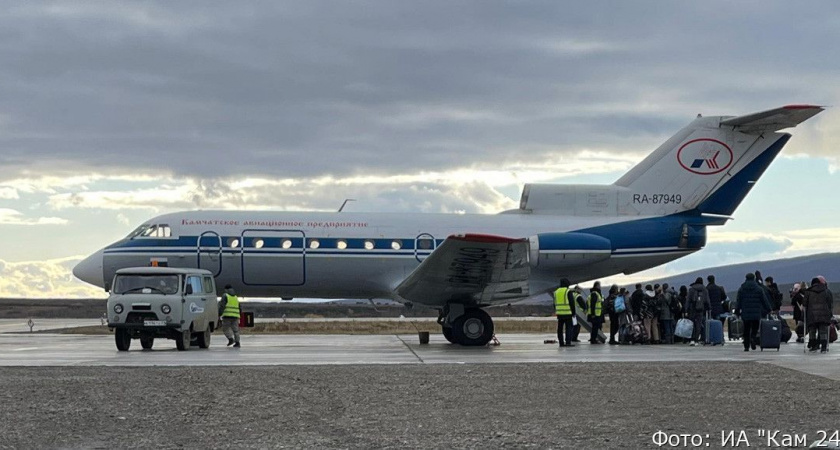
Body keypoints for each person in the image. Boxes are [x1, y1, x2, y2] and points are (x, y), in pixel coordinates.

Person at [735, 272, 771, 351]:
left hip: (745, 313)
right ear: (754, 278)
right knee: (755, 328)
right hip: (756, 313)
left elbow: (738, 301)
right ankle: (753, 337)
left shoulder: (742, 289)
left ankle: (746, 346)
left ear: (746, 278)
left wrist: (737, 311)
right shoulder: (759, 289)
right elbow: (764, 300)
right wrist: (769, 309)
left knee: (746, 329)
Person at [803, 277, 834, 353]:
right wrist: (830, 314)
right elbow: (830, 304)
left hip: (811, 315)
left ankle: (813, 347)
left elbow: (804, 304)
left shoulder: (808, 291)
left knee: (812, 331)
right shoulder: (826, 291)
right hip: (824, 315)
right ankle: (824, 348)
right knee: (823, 332)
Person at [554, 278, 578, 347]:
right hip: (568, 313)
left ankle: (561, 343)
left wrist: (557, 311)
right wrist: (573, 313)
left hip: (559, 314)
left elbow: (554, 304)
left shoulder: (556, 292)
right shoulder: (568, 291)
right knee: (568, 328)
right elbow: (572, 303)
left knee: (560, 329)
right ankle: (568, 342)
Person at [687, 277, 709, 346]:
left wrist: (686, 309)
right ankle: (696, 339)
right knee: (698, 324)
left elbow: (688, 300)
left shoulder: (691, 289)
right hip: (701, 309)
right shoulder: (705, 289)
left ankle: (692, 339)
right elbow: (707, 300)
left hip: (692, 308)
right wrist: (709, 307)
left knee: (692, 324)